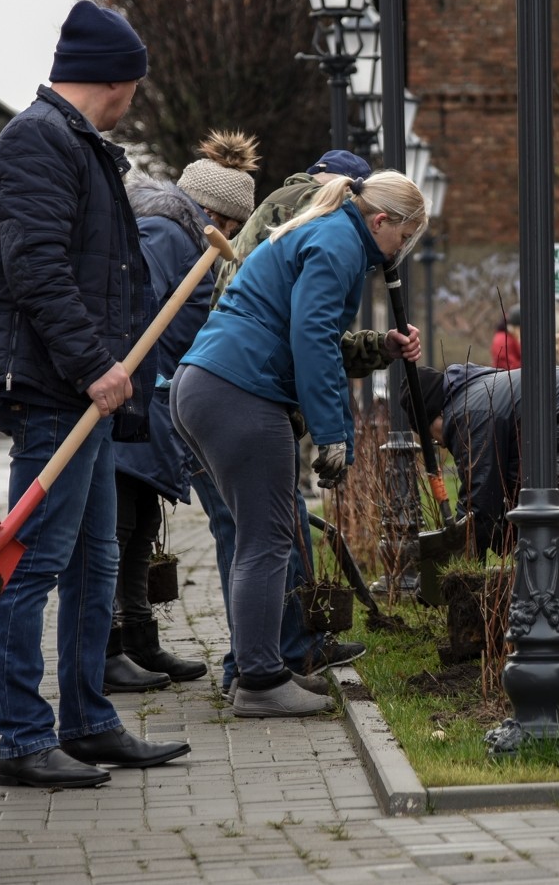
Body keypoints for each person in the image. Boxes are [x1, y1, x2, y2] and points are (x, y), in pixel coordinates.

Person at [0, 0, 187, 788]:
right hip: (51, 388)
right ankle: (23, 740)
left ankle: (88, 722)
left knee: (94, 561)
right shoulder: (37, 141)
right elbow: (36, 269)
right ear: (118, 78)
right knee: (32, 565)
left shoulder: (81, 145)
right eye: (137, 82)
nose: (136, 96)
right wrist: (96, 365)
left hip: (83, 394)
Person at [173, 171, 426, 718]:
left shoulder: (325, 229)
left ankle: (258, 670)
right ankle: (261, 682)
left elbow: (309, 331)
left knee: (258, 538)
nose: (400, 252)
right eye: (403, 238)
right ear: (381, 221)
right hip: (241, 391)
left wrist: (378, 347)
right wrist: (332, 434)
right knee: (266, 542)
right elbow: (311, 340)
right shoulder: (338, 244)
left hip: (209, 383)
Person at [105, 130, 258, 692]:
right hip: (136, 392)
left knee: (142, 520)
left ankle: (138, 640)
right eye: (234, 226)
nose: (233, 237)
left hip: (154, 393)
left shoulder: (184, 231)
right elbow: (133, 305)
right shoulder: (168, 232)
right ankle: (105, 651)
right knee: (118, 526)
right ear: (218, 215)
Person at [402, 365, 559, 559]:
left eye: (431, 436)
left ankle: (545, 595)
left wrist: (460, 567)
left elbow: (478, 502)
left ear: (439, 414)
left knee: (546, 506)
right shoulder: (481, 390)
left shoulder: (469, 413)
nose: (440, 444)